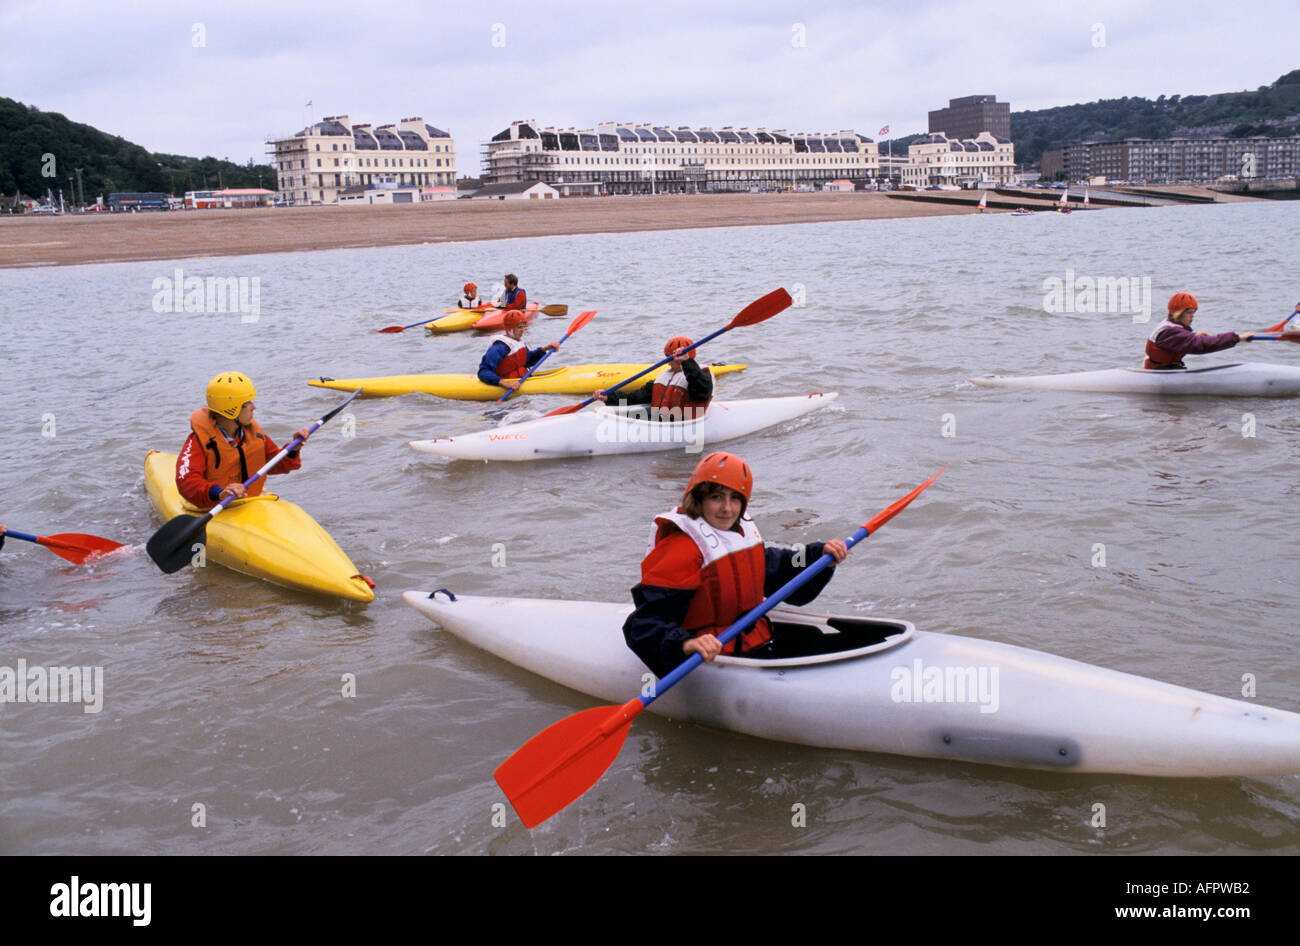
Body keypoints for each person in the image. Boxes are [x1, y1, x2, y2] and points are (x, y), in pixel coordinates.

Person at [622, 452, 848, 678]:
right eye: (717, 497)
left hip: (755, 638)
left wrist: (818, 556)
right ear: (699, 499)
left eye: (735, 498)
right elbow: (643, 623)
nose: (727, 509)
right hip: (715, 653)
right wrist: (686, 644)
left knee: (818, 637)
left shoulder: (741, 533)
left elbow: (777, 568)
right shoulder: (681, 549)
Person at [176, 372, 311, 509]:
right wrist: (220, 493)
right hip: (214, 506)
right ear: (232, 409)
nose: (254, 407)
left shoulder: (253, 434)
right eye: (248, 403)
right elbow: (187, 482)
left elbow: (274, 464)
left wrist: (293, 450)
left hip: (248, 503)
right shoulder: (199, 441)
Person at [593, 336, 713, 421]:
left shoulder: (701, 374)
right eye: (667, 357)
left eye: (670, 358)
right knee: (629, 413)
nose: (668, 363)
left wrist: (687, 363)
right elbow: (634, 397)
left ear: (686, 357)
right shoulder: (664, 377)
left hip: (681, 422)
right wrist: (609, 397)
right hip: (660, 420)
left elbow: (701, 393)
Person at [1145, 292, 1254, 369]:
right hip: (1160, 372)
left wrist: (1194, 336)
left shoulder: (1170, 326)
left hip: (1165, 369)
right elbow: (1200, 345)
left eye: (1194, 312)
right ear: (1178, 313)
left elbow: (1181, 340)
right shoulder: (1169, 332)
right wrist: (1237, 338)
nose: (1192, 316)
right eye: (1189, 312)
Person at [476, 310, 559, 392]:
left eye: (524, 326)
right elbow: (483, 371)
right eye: (519, 327)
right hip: (506, 385)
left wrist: (546, 348)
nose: (523, 330)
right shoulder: (499, 347)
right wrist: (506, 384)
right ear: (509, 328)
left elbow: (528, 361)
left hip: (521, 380)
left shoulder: (519, 342)